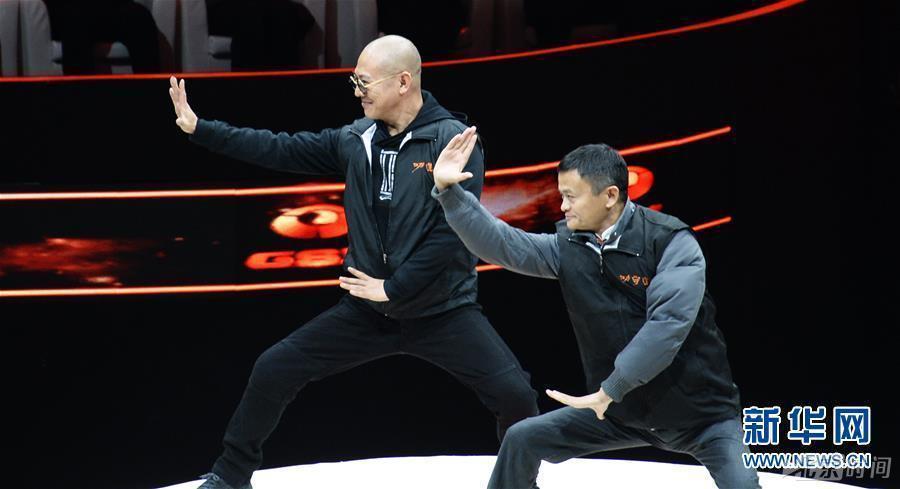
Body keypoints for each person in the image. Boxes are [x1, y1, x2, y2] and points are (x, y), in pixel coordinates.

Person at [168, 36, 539, 489]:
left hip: (442, 310)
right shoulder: (356, 138)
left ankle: (518, 484)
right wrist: (201, 129)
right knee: (273, 368)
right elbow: (281, 148)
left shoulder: (452, 141)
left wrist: (394, 288)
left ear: (403, 82)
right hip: (367, 311)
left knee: (516, 396)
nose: (357, 92)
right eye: (354, 81)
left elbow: (452, 235)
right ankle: (230, 477)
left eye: (364, 82)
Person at [431, 127, 760, 489]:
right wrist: (449, 192)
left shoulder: (671, 242)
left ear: (610, 195)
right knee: (522, 439)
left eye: (570, 197)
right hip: (618, 411)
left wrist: (612, 388)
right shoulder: (568, 247)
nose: (562, 206)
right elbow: (503, 244)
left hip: (703, 418)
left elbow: (668, 325)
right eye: (561, 196)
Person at [46, 0, 161, 75]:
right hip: (66, 8)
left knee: (140, 18)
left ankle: (150, 97)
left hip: (104, 6)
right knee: (75, 19)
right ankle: (78, 99)